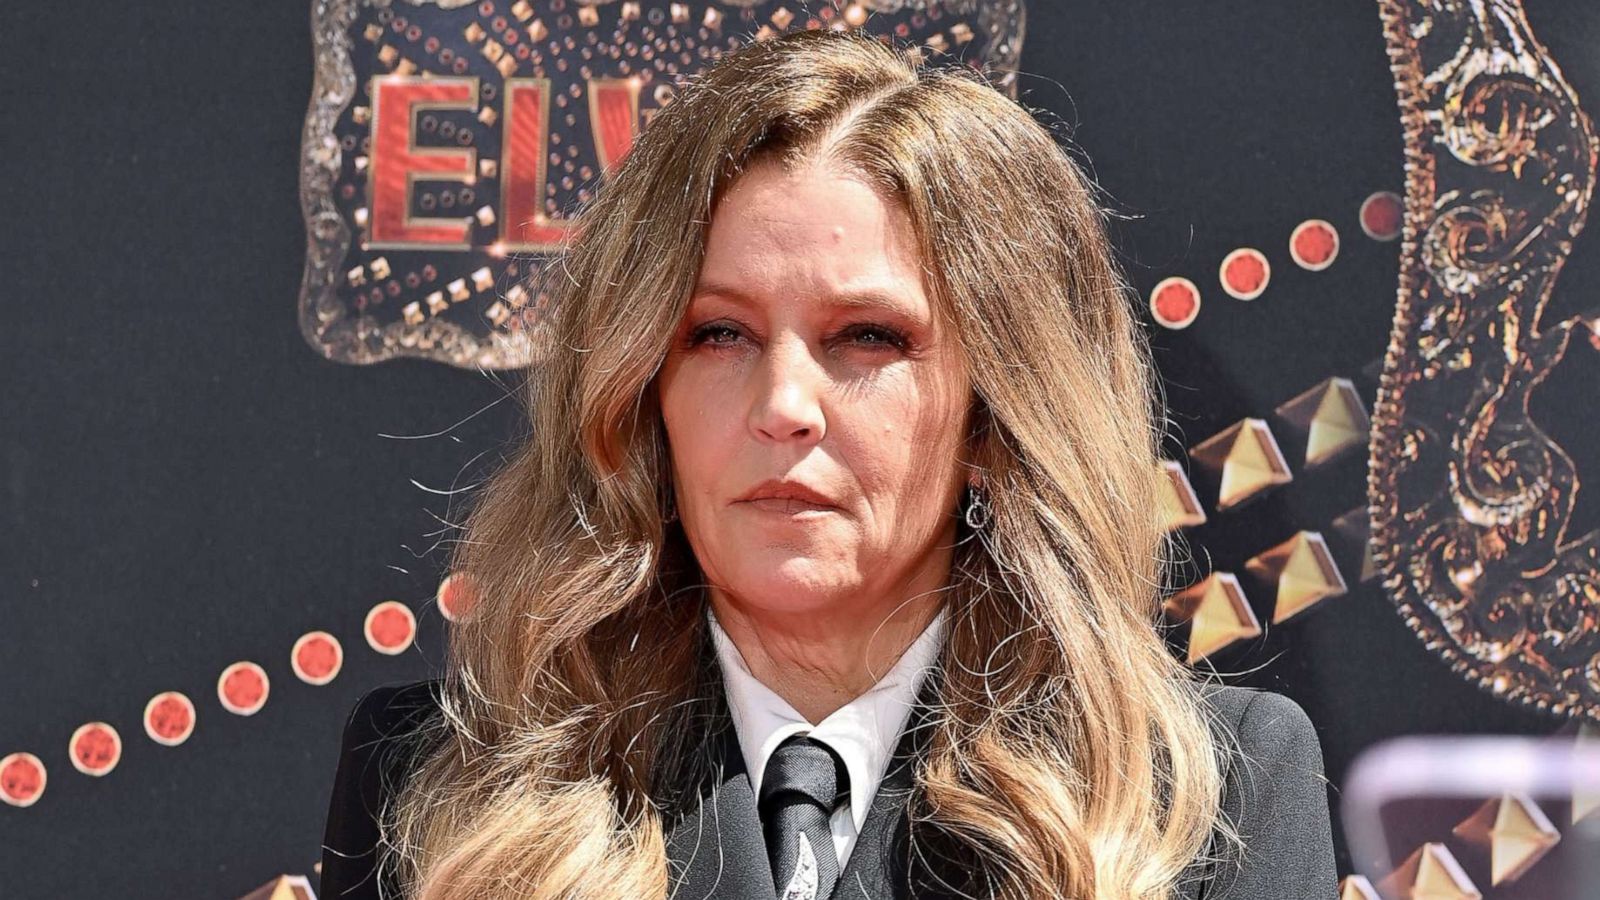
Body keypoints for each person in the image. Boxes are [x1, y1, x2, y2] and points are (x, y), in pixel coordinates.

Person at [320, 26, 1338, 900]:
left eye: (867, 338)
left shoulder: (1207, 797)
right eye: (718, 334)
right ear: (639, 394)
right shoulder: (435, 786)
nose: (782, 408)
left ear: (995, 414)